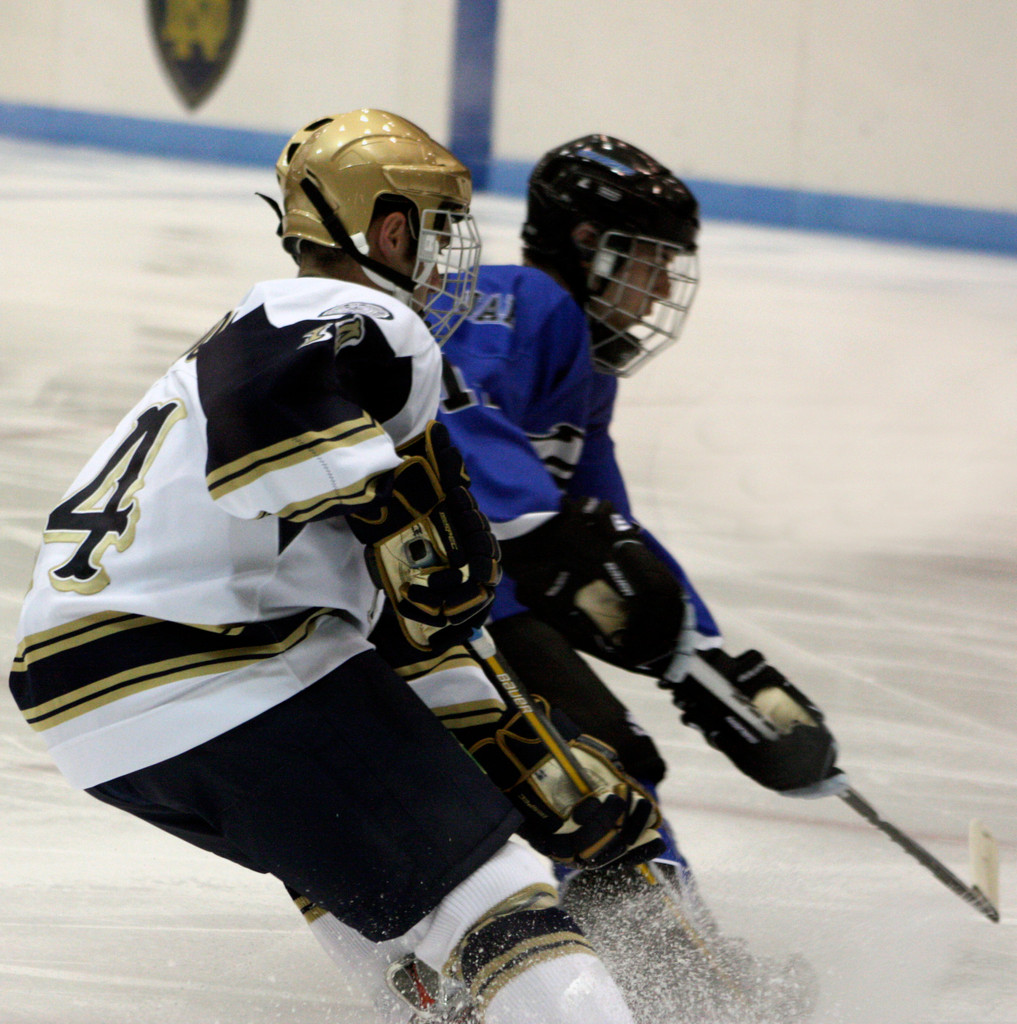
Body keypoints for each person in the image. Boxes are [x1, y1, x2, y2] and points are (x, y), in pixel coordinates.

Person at [7, 110, 661, 1024]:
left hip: (95, 705)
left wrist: (541, 770)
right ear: (390, 231)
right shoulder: (353, 316)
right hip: (209, 660)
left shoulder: (251, 350)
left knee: (366, 884)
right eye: (437, 230)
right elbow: (269, 406)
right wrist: (398, 510)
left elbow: (404, 640)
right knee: (496, 893)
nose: (445, 260)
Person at [431, 135, 847, 1022]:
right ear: (589, 243)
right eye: (652, 261)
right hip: (424, 607)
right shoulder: (525, 302)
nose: (661, 288)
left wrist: (706, 660)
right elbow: (452, 419)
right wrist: (557, 547)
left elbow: (608, 532)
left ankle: (491, 979)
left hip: (455, 607)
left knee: (549, 777)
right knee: (597, 771)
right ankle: (685, 990)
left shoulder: (579, 367)